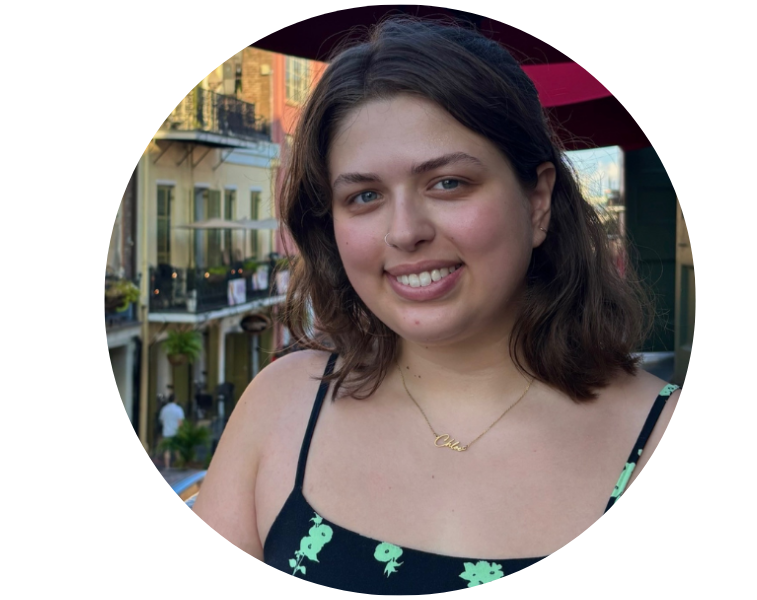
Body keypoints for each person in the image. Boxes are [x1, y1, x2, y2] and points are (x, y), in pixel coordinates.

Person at [193, 18, 680, 594]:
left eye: (448, 183)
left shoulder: (663, 440)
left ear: (537, 200)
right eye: (364, 196)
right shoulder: (280, 408)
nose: (405, 232)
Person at [159, 391, 184, 470]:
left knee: (167, 450)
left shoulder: (164, 409)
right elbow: (180, 422)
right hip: (176, 432)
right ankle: (179, 466)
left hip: (166, 432)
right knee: (177, 450)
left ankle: (167, 467)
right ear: (175, 399)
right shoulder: (178, 409)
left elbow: (162, 420)